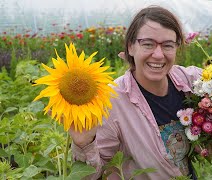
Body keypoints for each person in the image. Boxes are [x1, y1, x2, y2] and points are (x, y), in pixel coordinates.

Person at [70, 6, 202, 179]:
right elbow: (92, 175)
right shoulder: (112, 101)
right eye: (148, 44)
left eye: (168, 45)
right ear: (131, 47)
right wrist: (84, 145)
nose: (158, 54)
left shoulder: (190, 81)